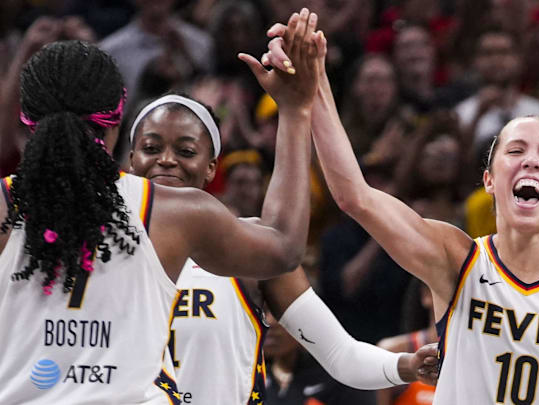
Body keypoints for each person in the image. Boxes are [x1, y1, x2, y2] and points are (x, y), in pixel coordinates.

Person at [263, 23, 539, 403]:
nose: (531, 161)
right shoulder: (456, 257)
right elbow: (355, 196)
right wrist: (314, 86)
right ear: (490, 180)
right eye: (515, 151)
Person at [128, 10, 438, 405]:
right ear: (130, 161)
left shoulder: (250, 250)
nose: (166, 160)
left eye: (185, 150)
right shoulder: (99, 248)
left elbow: (341, 354)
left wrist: (406, 367)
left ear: (211, 168)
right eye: (151, 148)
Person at [0, 29, 316, 404]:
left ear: (27, 121)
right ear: (116, 124)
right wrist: (295, 112)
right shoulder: (172, 210)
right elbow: (284, 246)